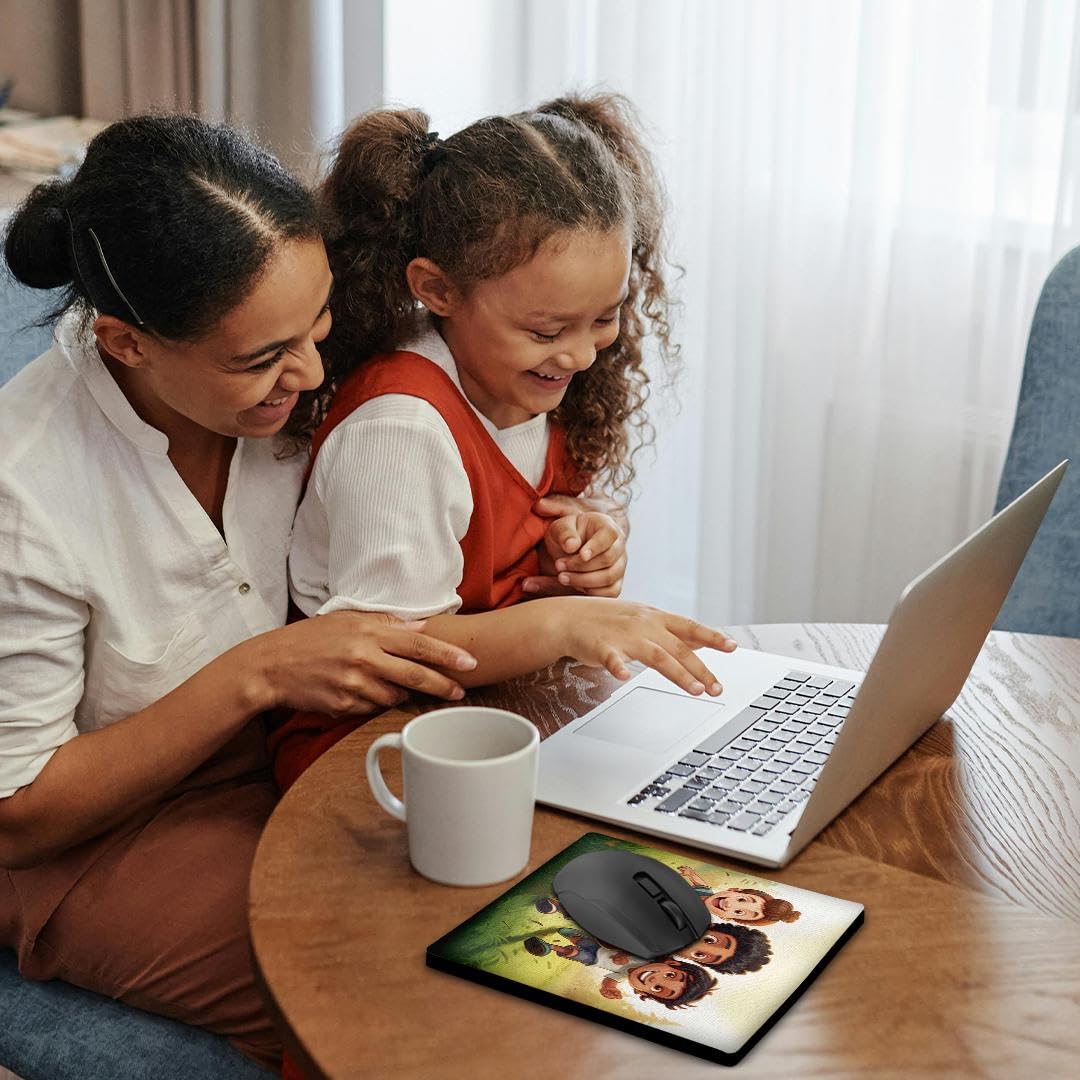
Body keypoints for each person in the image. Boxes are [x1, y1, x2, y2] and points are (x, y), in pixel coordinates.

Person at [0, 114, 477, 1070]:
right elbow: (19, 810)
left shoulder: (293, 385)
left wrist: (582, 522)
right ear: (126, 344)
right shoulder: (28, 490)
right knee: (387, 995)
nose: (307, 374)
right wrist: (257, 674)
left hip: (291, 762)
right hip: (95, 840)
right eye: (260, 358)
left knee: (504, 920)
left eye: (320, 327)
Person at [270, 92, 738, 791]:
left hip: (498, 719)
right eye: (548, 332)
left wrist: (585, 550)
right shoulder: (399, 430)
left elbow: (522, 538)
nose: (581, 357)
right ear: (436, 289)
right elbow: (395, 650)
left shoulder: (525, 385)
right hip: (369, 752)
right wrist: (564, 624)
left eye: (604, 319)